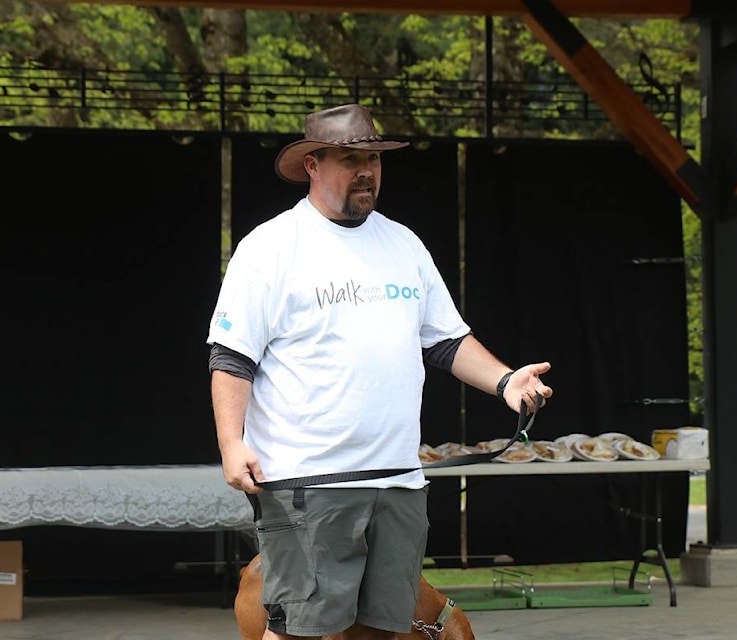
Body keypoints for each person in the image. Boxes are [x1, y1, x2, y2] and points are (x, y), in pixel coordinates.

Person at [208, 103, 552, 640]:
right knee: (298, 629)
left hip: (397, 484)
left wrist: (506, 381)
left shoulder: (403, 244)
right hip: (308, 483)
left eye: (373, 157)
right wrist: (231, 443)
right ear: (313, 166)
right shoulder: (270, 248)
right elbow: (231, 357)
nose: (366, 169)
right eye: (350, 158)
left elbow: (445, 340)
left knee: (387, 633)